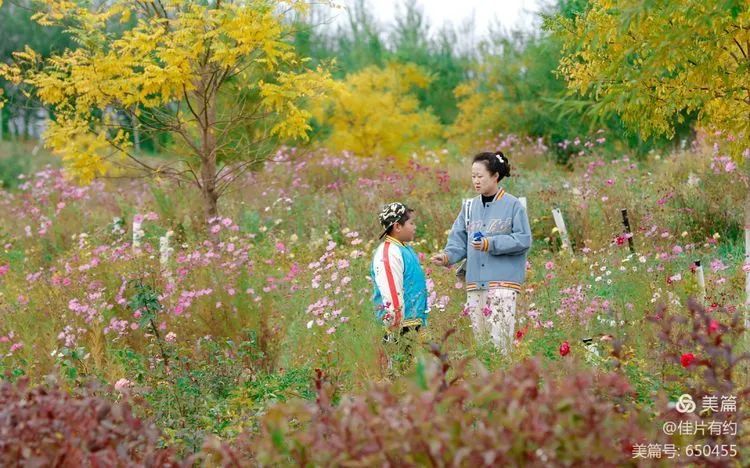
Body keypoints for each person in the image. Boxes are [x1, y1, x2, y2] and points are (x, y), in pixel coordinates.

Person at [430, 151, 531, 355]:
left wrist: (490, 243)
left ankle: (502, 375)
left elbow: (523, 239)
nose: (476, 181)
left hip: (503, 284)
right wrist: (447, 256)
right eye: (473, 176)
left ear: (495, 176)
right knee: (482, 346)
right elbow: (458, 239)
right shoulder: (469, 208)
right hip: (475, 284)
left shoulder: (513, 205)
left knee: (501, 345)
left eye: (480, 176)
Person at [371, 202, 428, 351]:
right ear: (397, 226)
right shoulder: (389, 253)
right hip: (399, 327)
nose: (415, 227)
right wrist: (394, 327)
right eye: (411, 223)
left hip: (413, 323)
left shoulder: (405, 249)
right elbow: (391, 292)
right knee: (401, 365)